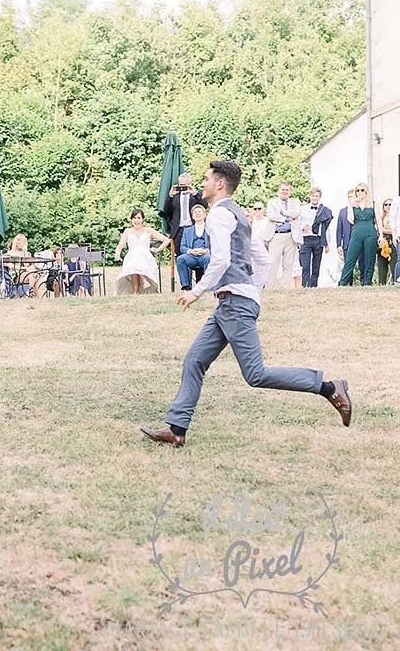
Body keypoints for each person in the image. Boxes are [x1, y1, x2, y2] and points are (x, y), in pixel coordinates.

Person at [141, 161, 352, 448]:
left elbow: (222, 261)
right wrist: (251, 291)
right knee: (194, 360)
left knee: (255, 374)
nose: (201, 184)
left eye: (205, 179)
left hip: (234, 303)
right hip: (232, 302)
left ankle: (329, 387)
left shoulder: (217, 216)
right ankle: (177, 429)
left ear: (219, 184)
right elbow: (262, 260)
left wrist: (196, 291)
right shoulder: (240, 216)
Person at [114, 209, 167, 294]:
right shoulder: (127, 231)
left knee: (137, 259)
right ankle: (142, 282)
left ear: (143, 219)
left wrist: (157, 249)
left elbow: (166, 240)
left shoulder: (149, 230)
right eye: (134, 218)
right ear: (131, 219)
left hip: (146, 258)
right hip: (131, 257)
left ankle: (140, 285)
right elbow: (120, 246)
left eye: (139, 218)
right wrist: (117, 253)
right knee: (134, 259)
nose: (136, 220)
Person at [339, 183, 381, 287]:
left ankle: (367, 282)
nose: (360, 192)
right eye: (357, 190)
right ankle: (342, 282)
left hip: (370, 232)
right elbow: (351, 220)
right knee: (350, 258)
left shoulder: (373, 204)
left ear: (366, 191)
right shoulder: (353, 205)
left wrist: (381, 235)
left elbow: (379, 220)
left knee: (369, 259)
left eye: (362, 190)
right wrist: (352, 205)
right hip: (357, 232)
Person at [264, 183, 302, 290]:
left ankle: (285, 287)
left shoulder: (295, 202)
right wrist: (285, 218)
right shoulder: (272, 202)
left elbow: (296, 213)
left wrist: (283, 212)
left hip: (291, 235)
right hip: (276, 235)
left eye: (287, 190)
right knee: (273, 263)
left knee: (288, 263)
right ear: (279, 190)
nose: (285, 191)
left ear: (290, 192)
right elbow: (271, 215)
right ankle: (269, 287)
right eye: (283, 189)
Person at [161, 173, 207, 253]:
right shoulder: (175, 195)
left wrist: (194, 193)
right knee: (179, 255)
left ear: (190, 184)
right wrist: (170, 196)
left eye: (186, 185)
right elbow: (166, 211)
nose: (183, 187)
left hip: (193, 227)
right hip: (178, 229)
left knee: (195, 252)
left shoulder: (196, 194)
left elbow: (205, 205)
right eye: (181, 185)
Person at [298, 187, 332, 288]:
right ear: (310, 196)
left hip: (318, 239)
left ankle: (313, 286)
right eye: (313, 195)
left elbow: (326, 228)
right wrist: (303, 228)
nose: (314, 198)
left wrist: (327, 243)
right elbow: (297, 224)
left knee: (316, 265)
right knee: (305, 265)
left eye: (317, 196)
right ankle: (305, 286)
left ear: (319, 197)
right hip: (306, 239)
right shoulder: (302, 209)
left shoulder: (324, 210)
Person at [175, 204, 211, 291]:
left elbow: (216, 245)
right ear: (192, 216)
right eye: (195, 212)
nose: (197, 214)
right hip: (192, 256)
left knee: (209, 258)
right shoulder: (187, 230)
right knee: (180, 259)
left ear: (204, 214)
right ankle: (186, 286)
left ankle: (207, 285)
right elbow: (182, 247)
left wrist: (206, 250)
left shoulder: (210, 228)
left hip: (205, 255)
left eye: (199, 212)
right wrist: (191, 251)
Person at [335, 188, 364, 282]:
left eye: (353, 197)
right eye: (349, 197)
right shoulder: (343, 211)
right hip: (347, 242)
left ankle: (364, 283)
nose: (351, 199)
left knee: (362, 263)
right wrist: (339, 245)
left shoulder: (362, 210)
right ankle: (348, 285)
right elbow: (339, 229)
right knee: (348, 265)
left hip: (360, 241)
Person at [376, 198, 395, 285]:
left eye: (390, 204)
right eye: (386, 204)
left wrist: (383, 230)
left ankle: (395, 282)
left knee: (393, 265)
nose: (387, 206)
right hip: (382, 243)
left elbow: (395, 230)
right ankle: (381, 284)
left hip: (393, 242)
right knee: (382, 266)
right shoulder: (381, 217)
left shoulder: (396, 218)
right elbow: (377, 229)